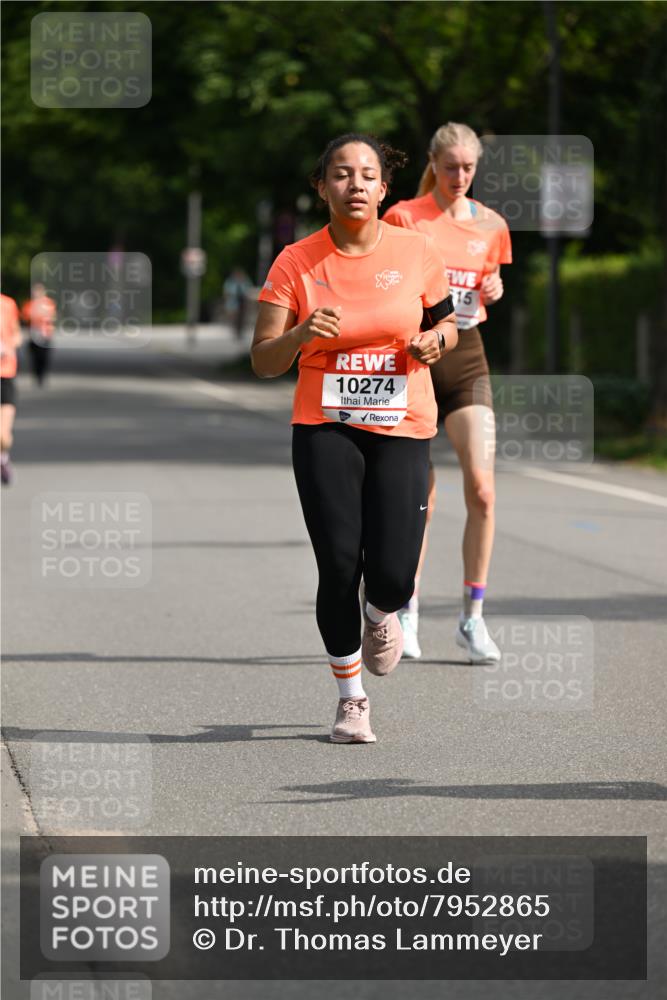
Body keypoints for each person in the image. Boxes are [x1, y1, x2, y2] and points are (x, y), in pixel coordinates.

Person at [252, 133, 457, 743]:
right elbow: (263, 359)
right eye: (342, 174)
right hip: (325, 426)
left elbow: (450, 325)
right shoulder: (296, 261)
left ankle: (380, 611)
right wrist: (300, 335)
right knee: (339, 564)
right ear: (322, 187)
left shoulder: (417, 251)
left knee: (394, 575)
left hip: (403, 424)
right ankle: (351, 698)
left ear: (384, 188)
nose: (356, 184)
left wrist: (435, 341)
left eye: (368, 174)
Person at [383, 122, 512, 663]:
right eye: (451, 166)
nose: (460, 176)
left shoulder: (492, 225)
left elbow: (488, 285)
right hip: (414, 355)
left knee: (482, 490)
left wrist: (493, 288)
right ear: (433, 164)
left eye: (468, 168)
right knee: (423, 499)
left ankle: (472, 619)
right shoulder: (403, 218)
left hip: (466, 355)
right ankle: (406, 611)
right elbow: (383, 278)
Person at [1, 293, 23, 485]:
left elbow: (17, 335)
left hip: (5, 374)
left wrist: (7, 346)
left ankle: (3, 458)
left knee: (3, 435)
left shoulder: (7, 304)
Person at [21, 282, 56, 386]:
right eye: (35, 291)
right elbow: (25, 318)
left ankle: (42, 376)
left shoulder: (48, 303)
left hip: (45, 334)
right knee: (34, 356)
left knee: (44, 356)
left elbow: (52, 317)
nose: (36, 293)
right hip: (33, 334)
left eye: (38, 291)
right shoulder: (29, 304)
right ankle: (36, 375)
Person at [223, 267, 252, 340]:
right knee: (235, 317)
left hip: (242, 303)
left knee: (242, 318)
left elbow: (248, 290)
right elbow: (226, 292)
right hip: (233, 303)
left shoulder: (245, 281)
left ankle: (240, 331)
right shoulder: (230, 282)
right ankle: (236, 331)